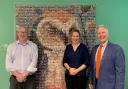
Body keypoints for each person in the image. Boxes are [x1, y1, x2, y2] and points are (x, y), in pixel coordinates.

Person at [89, 25, 125, 89]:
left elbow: (120, 73)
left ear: (107, 34)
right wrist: (91, 82)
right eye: (99, 33)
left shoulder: (117, 49)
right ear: (97, 35)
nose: (101, 35)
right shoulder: (94, 49)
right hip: (96, 84)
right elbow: (92, 68)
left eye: (103, 32)